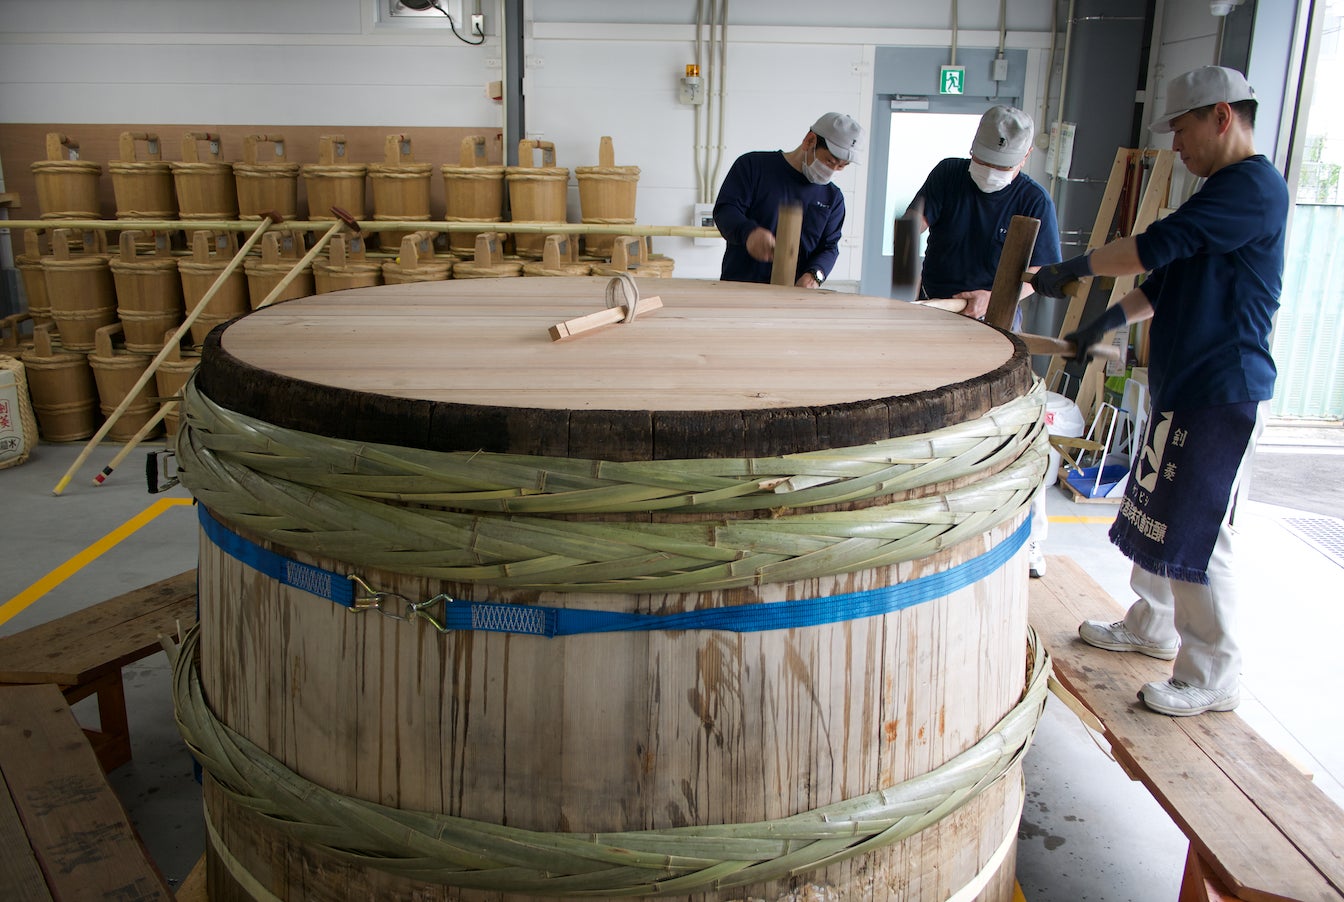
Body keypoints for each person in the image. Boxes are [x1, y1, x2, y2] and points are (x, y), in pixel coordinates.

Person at [1031, 66, 1288, 716]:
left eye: (1183, 129)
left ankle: (1213, 671)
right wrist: (1102, 323)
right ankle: (1150, 626)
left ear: (1222, 116)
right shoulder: (1217, 195)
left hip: (1222, 389)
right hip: (1184, 384)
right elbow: (1165, 282)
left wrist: (1075, 267)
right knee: (1156, 510)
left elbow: (1150, 249)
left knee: (1198, 530)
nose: (1178, 146)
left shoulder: (1252, 189)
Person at [907, 104, 1062, 578]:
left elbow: (1043, 276)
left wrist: (994, 295)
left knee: (1003, 426)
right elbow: (910, 223)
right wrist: (899, 290)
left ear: (1026, 155)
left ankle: (1029, 537)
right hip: (933, 311)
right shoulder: (949, 175)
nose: (989, 174)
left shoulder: (1035, 201)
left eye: (1001, 167)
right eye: (984, 162)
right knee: (925, 416)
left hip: (995, 323)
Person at [713, 112, 864, 287]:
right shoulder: (753, 167)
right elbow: (726, 210)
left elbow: (829, 247)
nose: (833, 171)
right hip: (740, 290)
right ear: (809, 141)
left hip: (795, 298)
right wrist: (749, 233)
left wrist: (816, 275)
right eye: (830, 161)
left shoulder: (833, 198)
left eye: (841, 167)